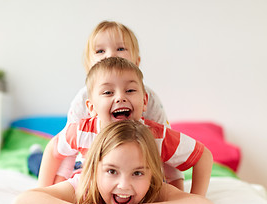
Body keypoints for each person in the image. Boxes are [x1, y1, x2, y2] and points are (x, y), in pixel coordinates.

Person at [39, 21, 185, 190]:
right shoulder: (82, 99)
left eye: (121, 49)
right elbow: (67, 148)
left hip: (135, 166)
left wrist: (176, 185)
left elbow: (165, 143)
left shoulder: (148, 98)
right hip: (92, 164)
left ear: (136, 62)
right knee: (40, 166)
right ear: (89, 67)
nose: (110, 55)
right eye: (100, 51)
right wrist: (56, 186)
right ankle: (35, 155)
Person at [39, 57, 213, 196]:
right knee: (37, 162)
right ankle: (34, 154)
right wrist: (43, 189)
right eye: (108, 92)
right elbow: (53, 150)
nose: (120, 98)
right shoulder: (82, 132)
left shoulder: (157, 137)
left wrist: (196, 197)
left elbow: (203, 156)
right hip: (83, 173)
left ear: (145, 102)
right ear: (91, 108)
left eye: (130, 90)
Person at [14, 120, 220, 204]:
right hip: (79, 166)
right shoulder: (85, 185)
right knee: (37, 163)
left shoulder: (153, 188)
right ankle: (34, 151)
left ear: (152, 174)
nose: (124, 185)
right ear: (96, 170)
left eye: (138, 173)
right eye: (112, 171)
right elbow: (24, 200)